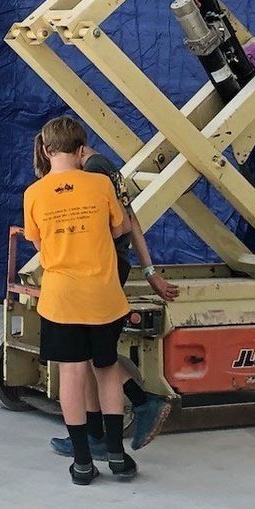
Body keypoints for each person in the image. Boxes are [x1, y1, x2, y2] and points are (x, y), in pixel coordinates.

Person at [23, 115, 178, 485]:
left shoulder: (34, 194)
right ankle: (117, 457)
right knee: (106, 369)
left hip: (61, 298)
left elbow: (39, 243)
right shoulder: (100, 183)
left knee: (72, 375)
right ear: (81, 150)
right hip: (103, 296)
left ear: (46, 149)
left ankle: (82, 462)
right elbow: (121, 227)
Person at [46, 147, 172, 458]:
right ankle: (96, 435)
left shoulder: (92, 175)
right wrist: (149, 270)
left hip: (100, 267)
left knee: (90, 355)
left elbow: (114, 225)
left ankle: (141, 401)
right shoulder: (106, 168)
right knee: (91, 355)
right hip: (111, 265)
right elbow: (131, 220)